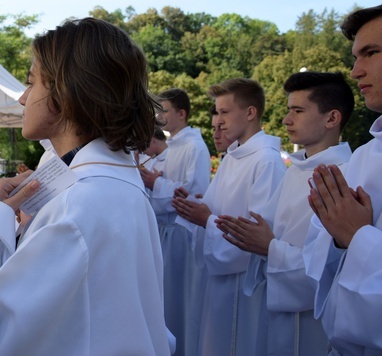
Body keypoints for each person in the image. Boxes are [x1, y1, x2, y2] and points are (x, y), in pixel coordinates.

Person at [0, 18, 171, 354]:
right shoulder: (118, 181)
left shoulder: (74, 207)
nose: (23, 98)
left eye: (31, 83)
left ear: (66, 92)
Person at [217, 71, 354, 355]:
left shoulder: (347, 178)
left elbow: (334, 269)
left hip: (316, 325)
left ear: (332, 118)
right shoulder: (295, 173)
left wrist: (270, 248)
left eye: (298, 110)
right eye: (289, 110)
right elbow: (267, 234)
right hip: (278, 312)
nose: (286, 120)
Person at [173, 78, 286, 356]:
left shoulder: (266, 160)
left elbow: (259, 233)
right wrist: (200, 207)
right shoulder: (233, 156)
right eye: (216, 112)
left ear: (250, 113)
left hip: (243, 285)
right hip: (219, 279)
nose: (218, 120)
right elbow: (218, 208)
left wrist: (206, 220)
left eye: (224, 112)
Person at [303, 3, 382, 354]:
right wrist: (338, 239)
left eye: (371, 53)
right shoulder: (366, 156)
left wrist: (357, 238)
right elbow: (323, 250)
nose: (355, 72)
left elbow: (353, 235)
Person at [139, 88, 211, 356]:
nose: (159, 116)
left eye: (164, 111)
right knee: (163, 299)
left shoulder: (194, 146)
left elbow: (194, 192)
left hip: (182, 233)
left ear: (181, 114)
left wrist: (156, 182)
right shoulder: (173, 146)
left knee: (178, 299)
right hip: (165, 232)